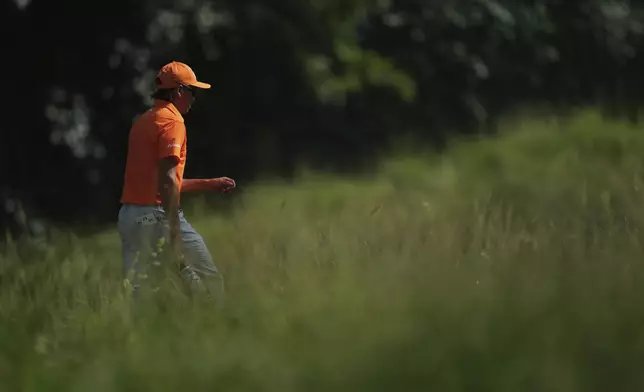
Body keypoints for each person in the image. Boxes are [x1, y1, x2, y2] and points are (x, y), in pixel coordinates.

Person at [117, 61, 235, 302]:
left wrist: (209, 184)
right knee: (210, 282)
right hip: (156, 216)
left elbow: (161, 180)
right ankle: (218, 329)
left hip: (130, 218)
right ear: (178, 91)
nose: (193, 98)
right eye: (192, 92)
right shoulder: (173, 122)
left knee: (140, 294)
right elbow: (168, 181)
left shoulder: (143, 122)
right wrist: (174, 230)